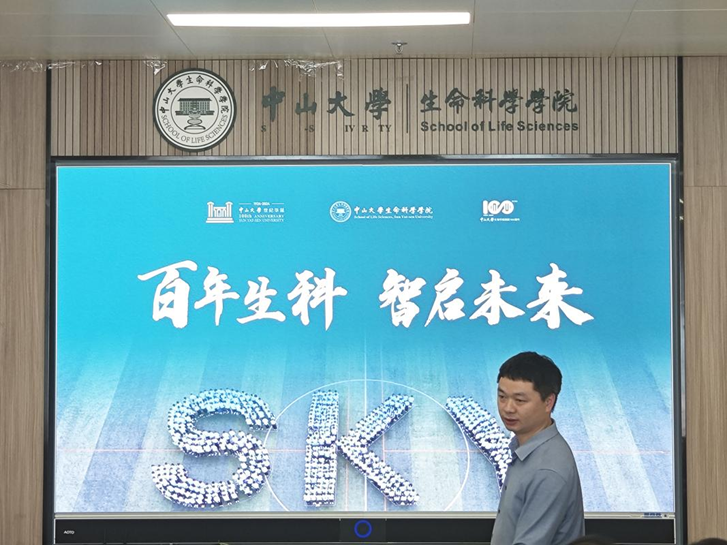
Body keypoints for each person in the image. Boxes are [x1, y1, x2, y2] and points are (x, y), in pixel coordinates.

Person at [490, 352, 585, 545]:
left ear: (548, 402)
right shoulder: (525, 448)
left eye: (520, 400)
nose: (508, 408)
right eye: (502, 397)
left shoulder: (547, 470)